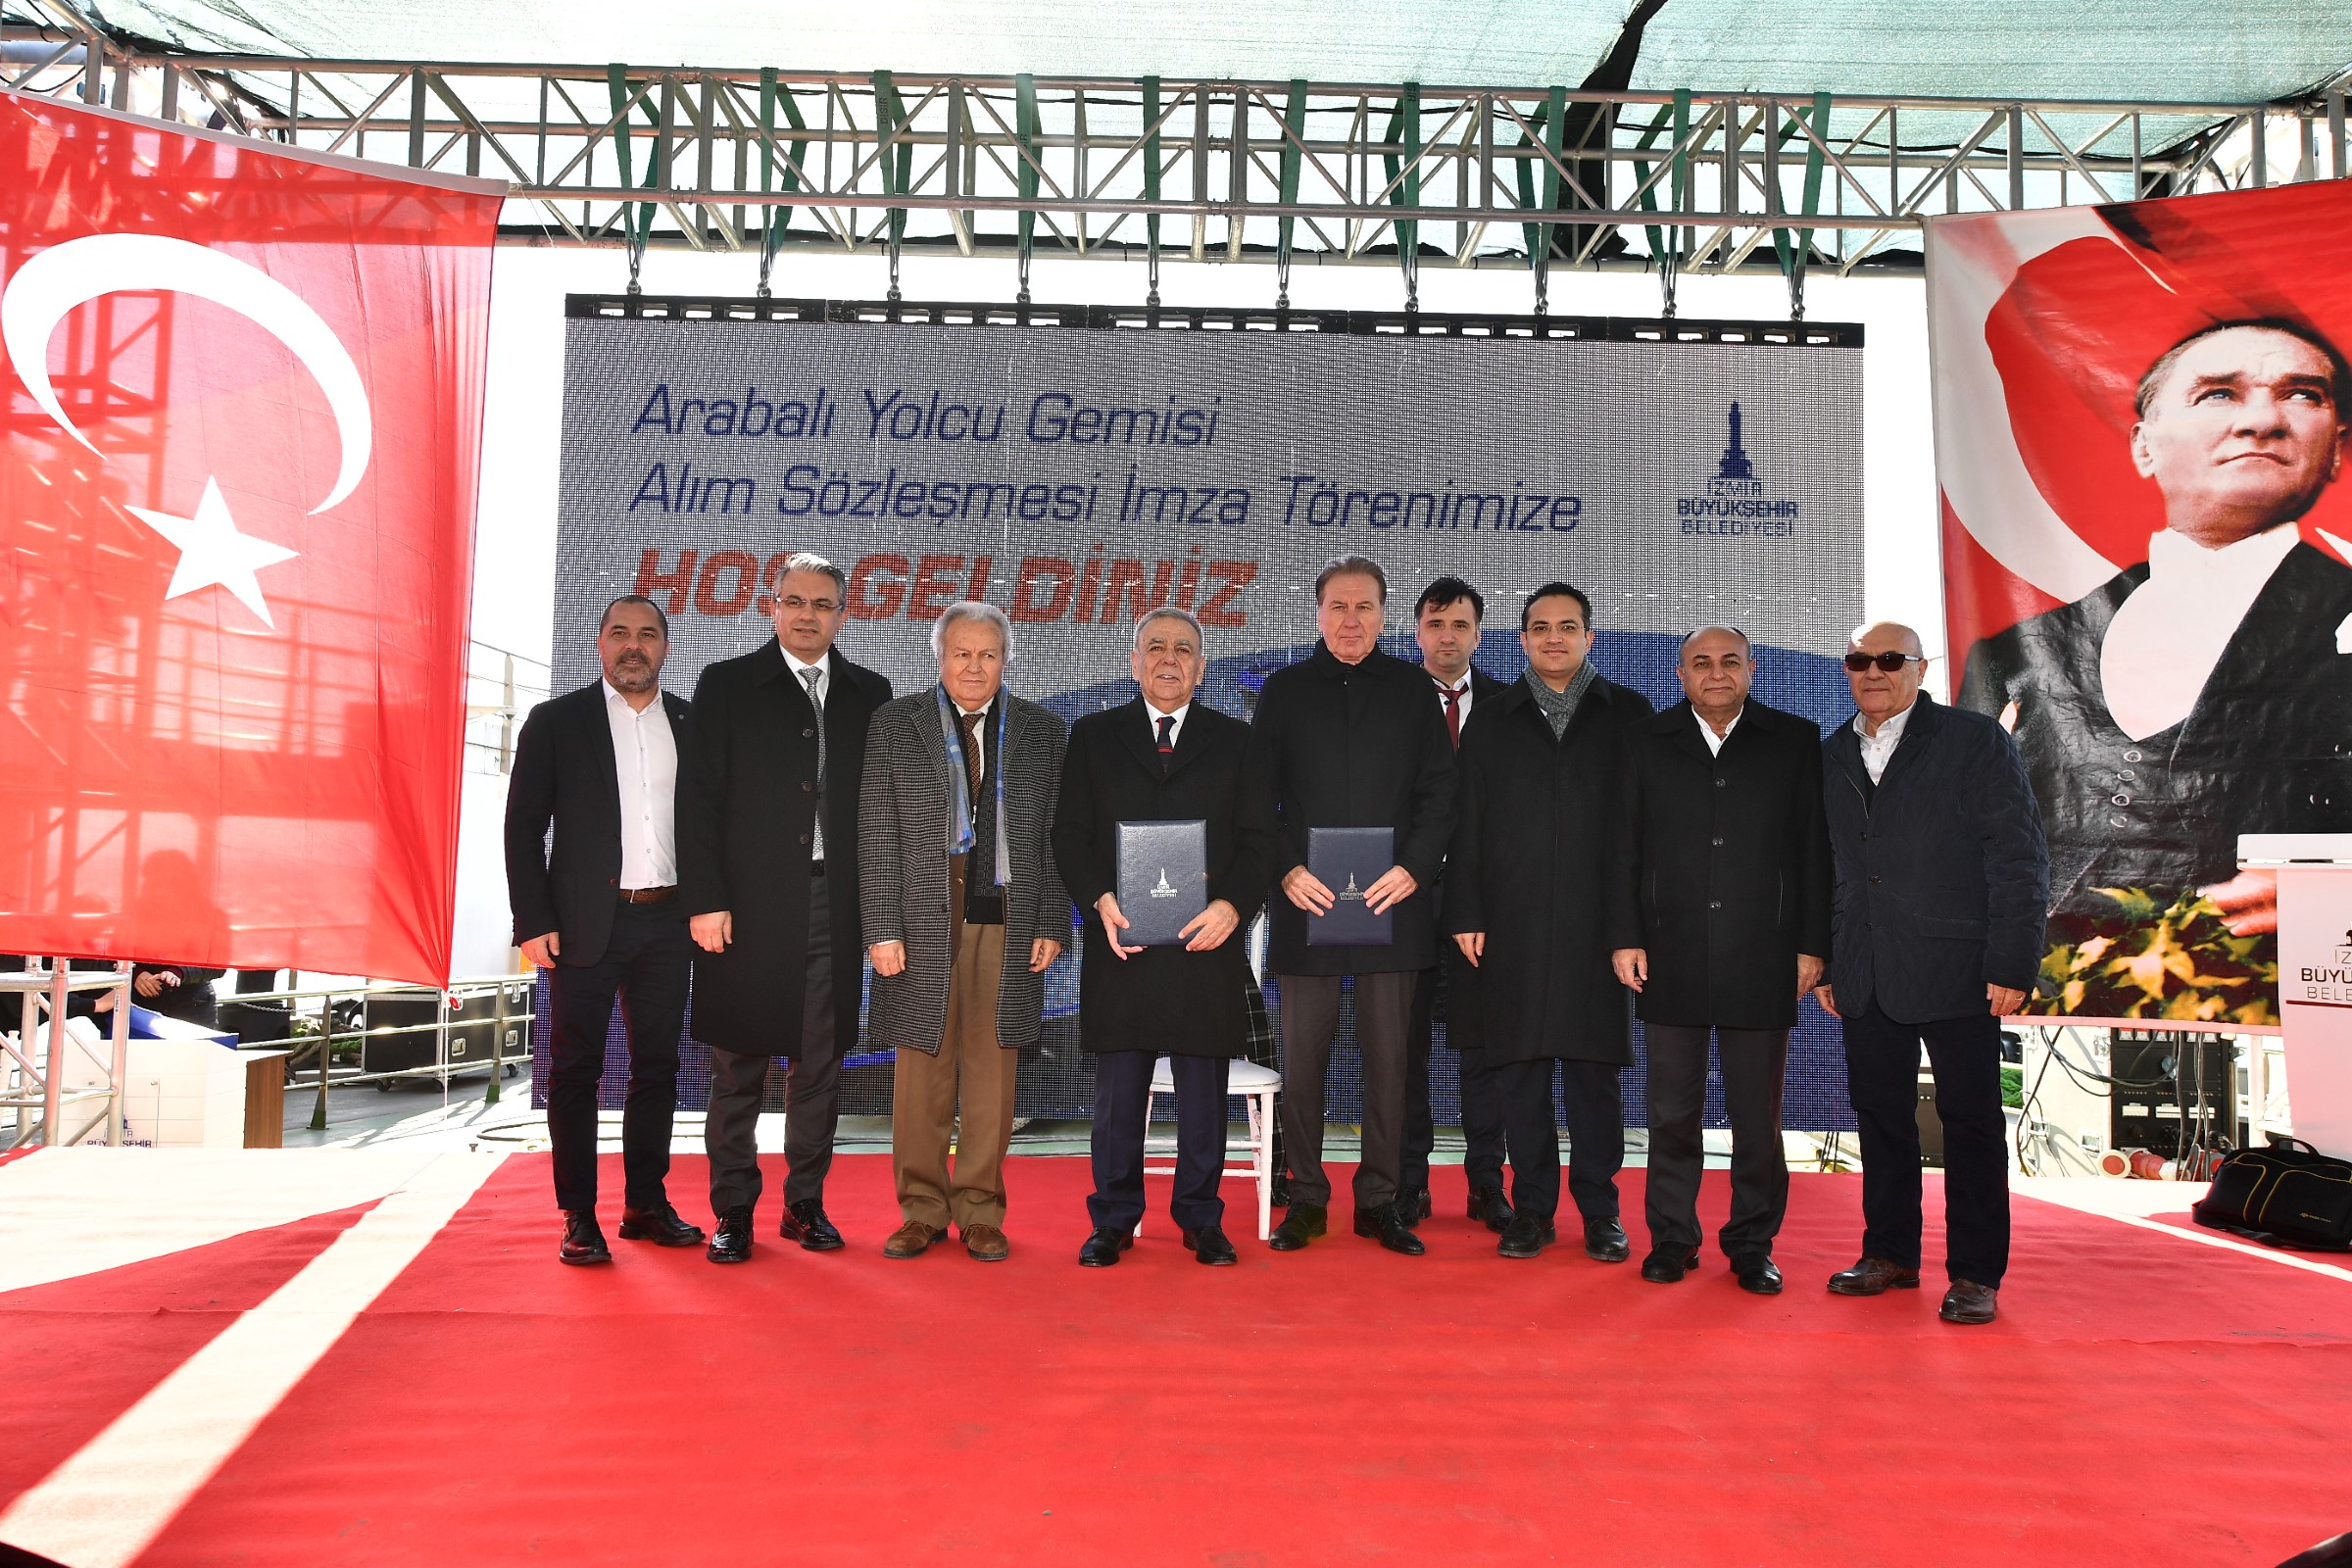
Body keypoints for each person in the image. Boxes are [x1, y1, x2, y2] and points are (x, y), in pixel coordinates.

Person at [1959, 318, 2352, 949]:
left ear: (2335, 447)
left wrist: (2330, 885)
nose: (2262, 421)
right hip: (2045, 974)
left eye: (2302, 394)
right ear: (2144, 446)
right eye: (2218, 393)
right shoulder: (2017, 649)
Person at [1820, 622, 2048, 1326]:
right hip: (1864, 970)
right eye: (1860, 660)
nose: (1874, 671)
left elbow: (2018, 856)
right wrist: (1826, 959)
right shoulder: (1830, 752)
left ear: (1921, 668)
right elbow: (1821, 867)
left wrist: (2012, 961)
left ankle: (1976, 1273)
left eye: (1891, 660)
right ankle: (1889, 1253)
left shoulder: (1973, 740)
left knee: (1971, 1123)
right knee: (1880, 1119)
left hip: (1961, 968)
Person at [681, 552, 893, 1264]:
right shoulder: (726, 684)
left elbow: (882, 812)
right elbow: (697, 801)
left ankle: (804, 1205)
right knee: (736, 1067)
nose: (808, 615)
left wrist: (879, 916)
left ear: (843, 615)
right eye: (794, 601)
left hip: (835, 904)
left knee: (819, 1065)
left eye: (822, 603)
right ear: (772, 607)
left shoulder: (871, 693)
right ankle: (733, 1211)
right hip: (743, 908)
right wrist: (706, 900)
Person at [1244, 555, 1457, 1255]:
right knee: (1303, 1061)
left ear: (1384, 617)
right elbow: (1256, 798)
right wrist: (1285, 870)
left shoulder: (1413, 690)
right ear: (1318, 613)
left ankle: (1380, 1201)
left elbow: (1439, 793)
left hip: (1394, 904)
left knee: (1391, 1062)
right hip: (1305, 904)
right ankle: (1306, 1197)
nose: (1351, 619)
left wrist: (1414, 869)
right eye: (1338, 606)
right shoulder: (1284, 690)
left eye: (1365, 606)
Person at [1607, 627, 1830, 1293]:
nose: (1716, 673)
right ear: (1680, 675)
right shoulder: (1645, 741)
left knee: (1757, 1119)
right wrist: (1625, 936)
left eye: (1730, 661)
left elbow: (1813, 851)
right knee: (1671, 1114)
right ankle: (1673, 1239)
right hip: (1667, 953)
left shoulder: (1793, 741)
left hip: (1763, 954)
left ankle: (1752, 1244)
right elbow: (1622, 848)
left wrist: (1812, 945)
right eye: (1701, 663)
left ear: (1751, 670)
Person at [1053, 608, 1266, 1267]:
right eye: (1155, 647)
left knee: (1204, 1093)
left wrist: (1232, 906)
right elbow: (1070, 835)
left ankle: (1201, 1218)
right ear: (1134, 661)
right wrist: (1099, 899)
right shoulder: (1093, 736)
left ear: (1201, 667)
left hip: (1206, 945)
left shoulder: (1238, 741)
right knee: (1119, 1094)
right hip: (1124, 942)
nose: (1168, 659)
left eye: (1183, 649)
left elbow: (1260, 840)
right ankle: (1113, 1219)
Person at [860, 601, 1070, 1262]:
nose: (974, 667)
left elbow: (1057, 834)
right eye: (962, 653)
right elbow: (877, 830)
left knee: (992, 1071)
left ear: (1005, 660)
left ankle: (980, 1209)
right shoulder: (895, 724)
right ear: (939, 657)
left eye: (988, 654)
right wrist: (881, 928)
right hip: (919, 918)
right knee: (920, 1067)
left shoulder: (1042, 730)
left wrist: (1051, 919)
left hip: (1008, 917)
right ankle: (921, 1209)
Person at [1448, 584, 1651, 1263]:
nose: (1553, 638)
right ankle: (1532, 1209)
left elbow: (1647, 831)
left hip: (1603, 928)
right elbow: (1466, 824)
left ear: (1590, 638)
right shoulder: (1492, 719)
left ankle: (1600, 1212)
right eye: (1540, 628)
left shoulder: (1630, 714)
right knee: (1521, 1076)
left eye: (1568, 627)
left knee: (1595, 1080)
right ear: (1523, 640)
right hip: (1512, 922)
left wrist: (1635, 926)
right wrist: (1467, 911)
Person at [504, 595, 704, 1265]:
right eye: (620, 633)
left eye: (647, 634)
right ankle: (579, 1216)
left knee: (658, 1069)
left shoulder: (691, 724)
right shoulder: (557, 721)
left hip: (669, 922)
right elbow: (522, 829)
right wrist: (533, 921)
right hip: (583, 924)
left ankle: (645, 1203)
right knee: (575, 1071)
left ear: (665, 647)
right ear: (600, 644)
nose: (633, 646)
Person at [1399, 575, 1510, 1232]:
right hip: (1403, 899)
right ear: (1417, 632)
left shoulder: (1507, 705)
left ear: (1478, 634)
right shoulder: (1389, 701)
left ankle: (1486, 1184)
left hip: (1485, 904)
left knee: (1485, 1049)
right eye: (1436, 624)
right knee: (1403, 1049)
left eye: (1460, 625)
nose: (1448, 637)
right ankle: (1409, 1183)